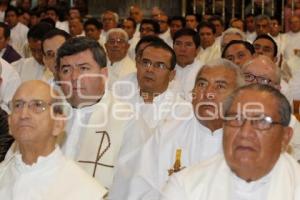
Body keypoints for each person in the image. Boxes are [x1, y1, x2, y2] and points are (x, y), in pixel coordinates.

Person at [110, 58, 244, 200]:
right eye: (202, 84)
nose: (208, 93)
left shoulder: (249, 139)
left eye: (220, 86)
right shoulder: (167, 133)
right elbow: (142, 186)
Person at [161, 84, 299, 200]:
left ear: (285, 137)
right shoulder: (186, 186)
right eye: (236, 119)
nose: (245, 132)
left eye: (262, 121)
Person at [0, 80, 107, 199]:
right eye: (18, 105)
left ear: (58, 124)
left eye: (37, 105)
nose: (24, 114)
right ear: (9, 123)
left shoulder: (84, 191)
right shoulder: (3, 174)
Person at [56, 37, 132, 189]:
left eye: (84, 68)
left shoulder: (128, 120)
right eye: (66, 70)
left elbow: (134, 185)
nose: (74, 77)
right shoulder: (46, 114)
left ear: (103, 74)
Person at [242, 55, 300, 160]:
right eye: (248, 76)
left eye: (264, 80)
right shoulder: (221, 116)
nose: (254, 83)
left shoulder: (291, 124)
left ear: (277, 89)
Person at [172, 28, 203, 100]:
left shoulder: (204, 70)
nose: (182, 49)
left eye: (188, 45)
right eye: (178, 44)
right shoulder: (165, 68)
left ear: (197, 50)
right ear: (172, 47)